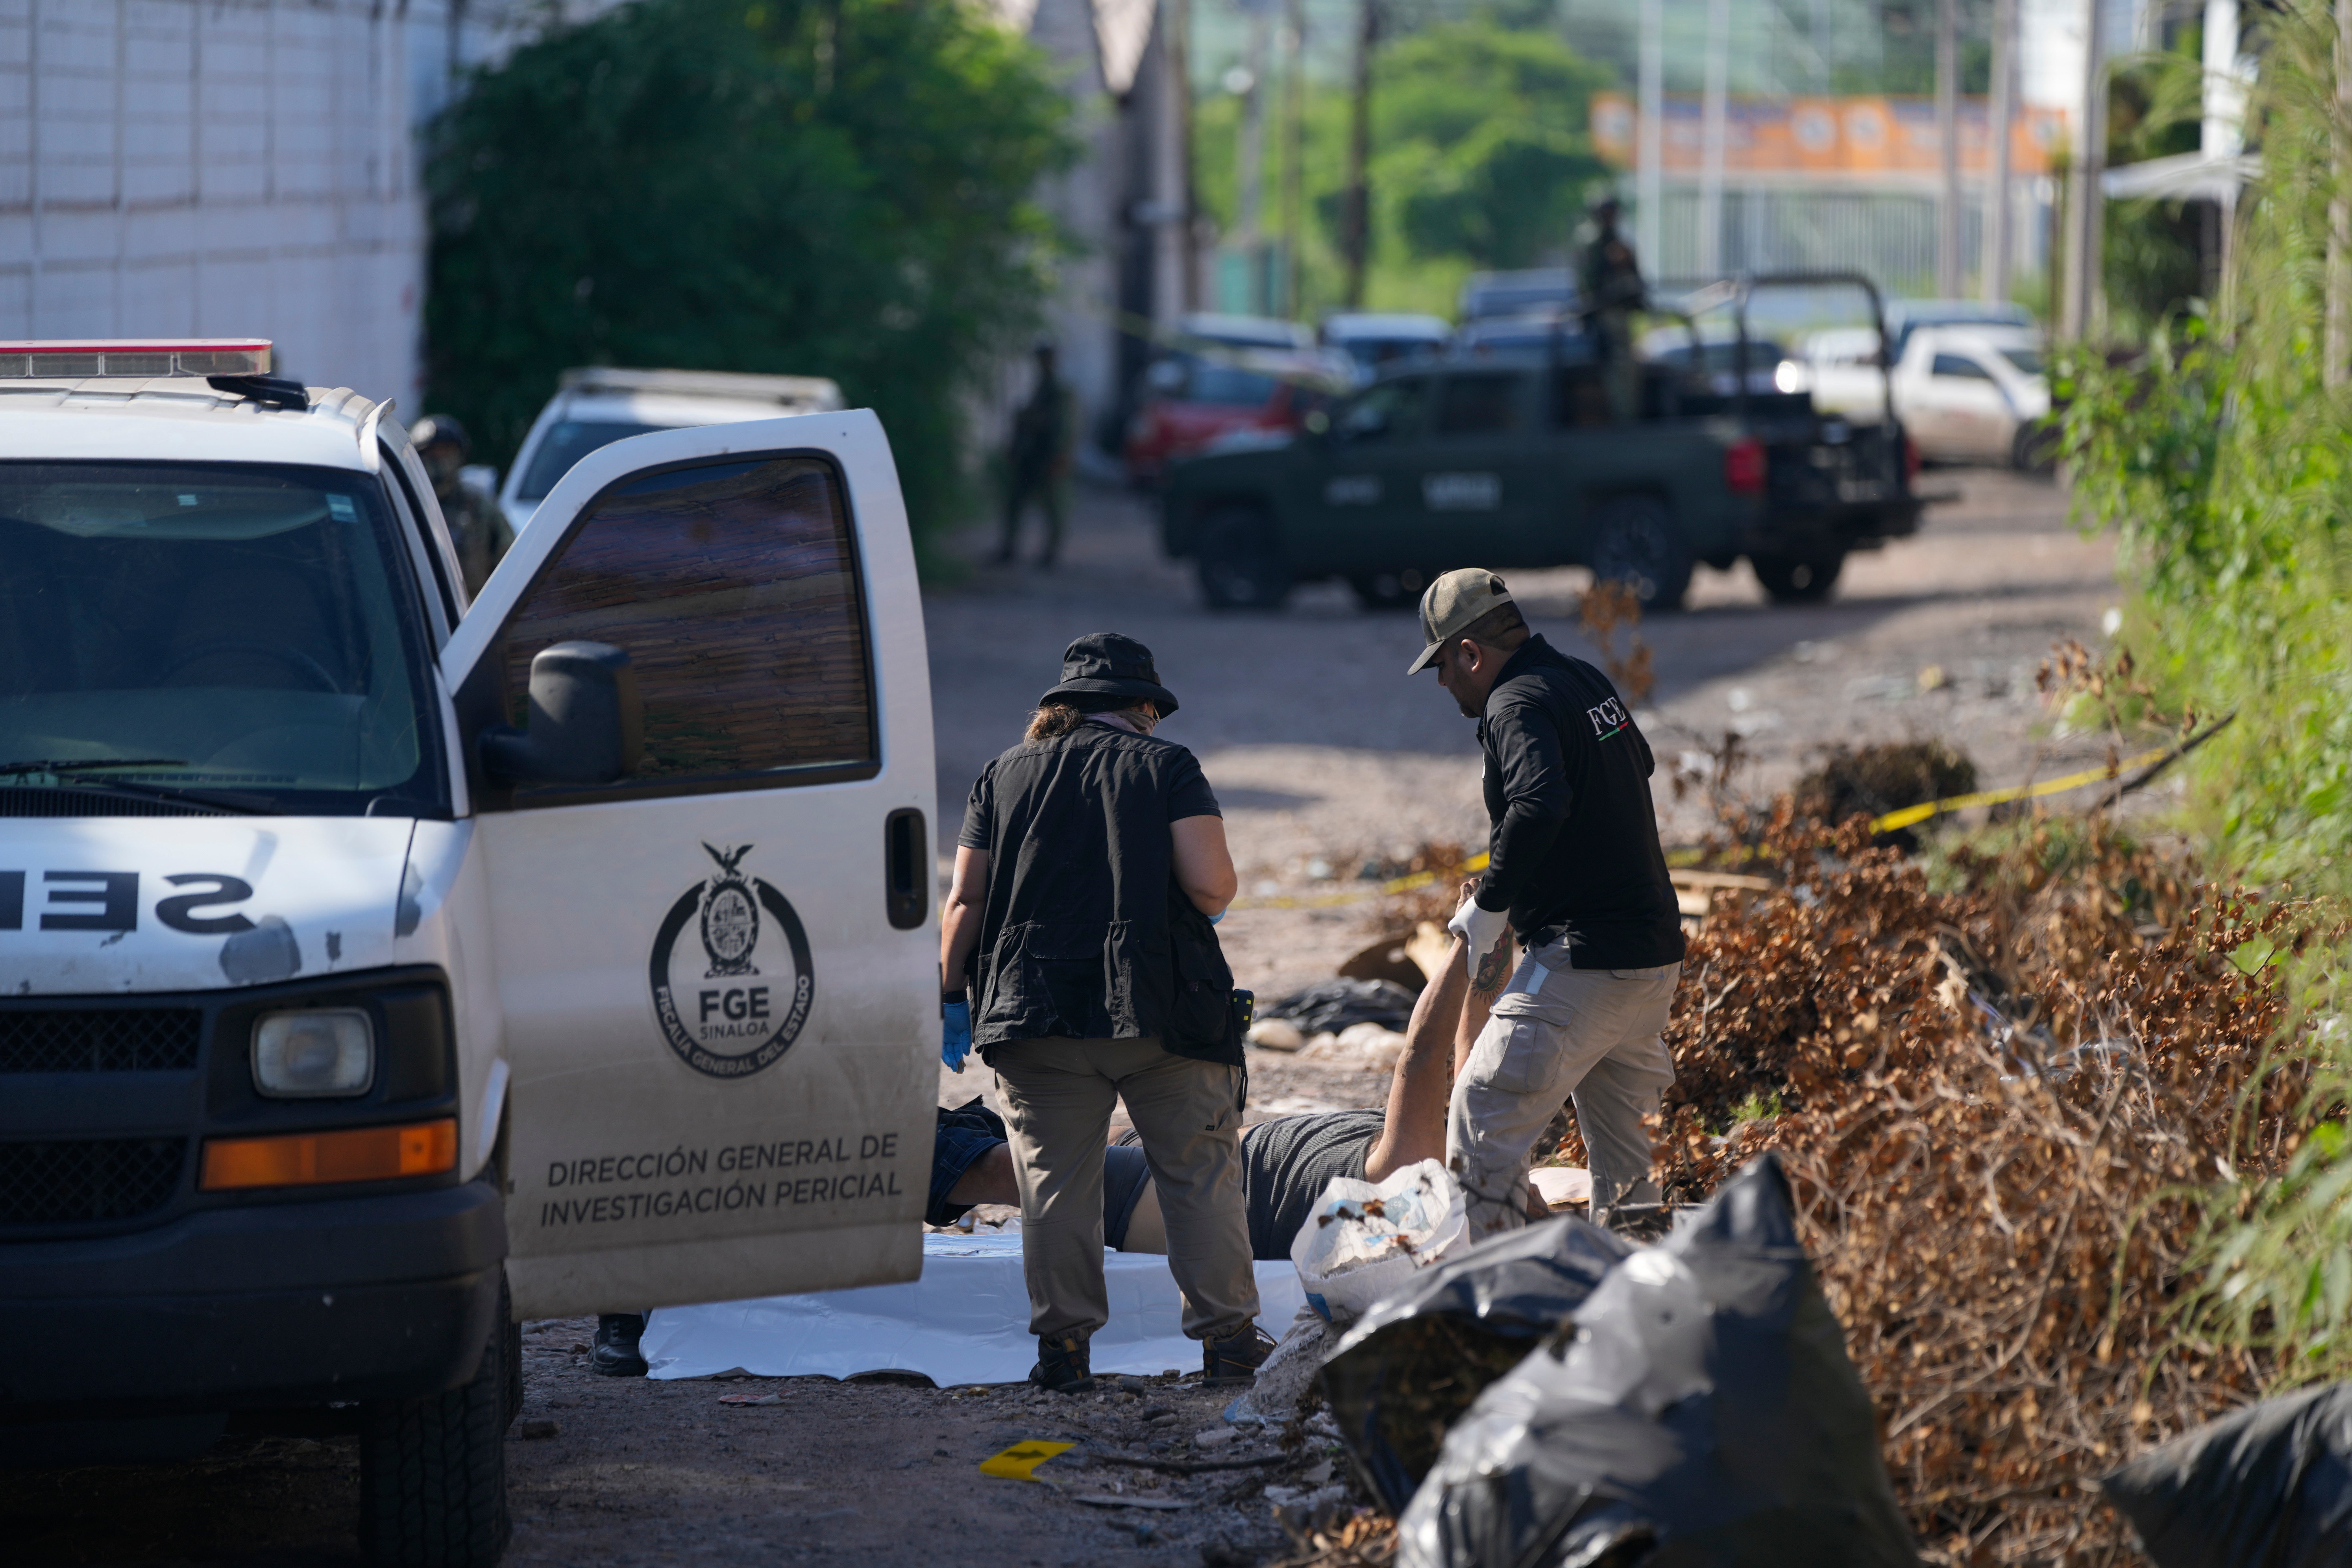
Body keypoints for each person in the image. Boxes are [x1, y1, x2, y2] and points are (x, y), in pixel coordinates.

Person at [939, 632, 1268, 1394]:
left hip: (1034, 1012)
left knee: (1054, 1183)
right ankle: (1227, 1346)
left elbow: (964, 900)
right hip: (1162, 1010)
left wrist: (952, 996)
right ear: (1145, 709)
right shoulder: (1170, 767)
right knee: (1197, 1176)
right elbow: (1214, 887)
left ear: (1062, 707)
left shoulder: (1002, 775)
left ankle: (1063, 1353)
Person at [930, 913, 1552, 1251]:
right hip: (1217, 1147)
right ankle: (928, 1133)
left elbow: (1422, 1053)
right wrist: (1498, 941)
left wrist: (1467, 942)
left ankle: (870, 1167)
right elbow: (1476, 1055)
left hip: (1176, 1198)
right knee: (1039, 1132)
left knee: (1004, 1170)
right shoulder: (1483, 1153)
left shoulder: (1412, 1172)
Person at [1408, 568, 1686, 1240]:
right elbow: (1637, 763)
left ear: (1470, 652)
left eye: (1443, 665)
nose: (1444, 684)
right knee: (1630, 1177)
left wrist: (1491, 906)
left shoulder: (1513, 703)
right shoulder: (1581, 678)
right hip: (1649, 961)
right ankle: (1638, 1307)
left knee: (1481, 1112)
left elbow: (1539, 802)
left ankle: (1501, 1311)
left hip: (1582, 963)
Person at [410, 413, 514, 595]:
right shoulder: (405, 506)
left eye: (448, 452)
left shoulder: (481, 509)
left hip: (474, 615)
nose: (441, 460)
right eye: (433, 453)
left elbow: (513, 565)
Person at [997, 342, 1074, 569]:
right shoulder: (1041, 388)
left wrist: (1061, 455)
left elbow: (1062, 426)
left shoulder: (1059, 391)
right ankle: (1010, 548)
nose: (1042, 364)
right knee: (1015, 503)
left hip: (1047, 456)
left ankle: (1051, 553)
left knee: (1052, 507)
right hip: (1030, 456)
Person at [1575, 197, 1646, 422]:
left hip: (1619, 313)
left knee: (1625, 369)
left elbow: (1636, 284)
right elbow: (1589, 284)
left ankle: (1627, 415)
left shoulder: (1618, 243)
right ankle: (1622, 416)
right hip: (1602, 316)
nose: (1610, 219)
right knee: (1612, 369)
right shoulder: (1592, 244)